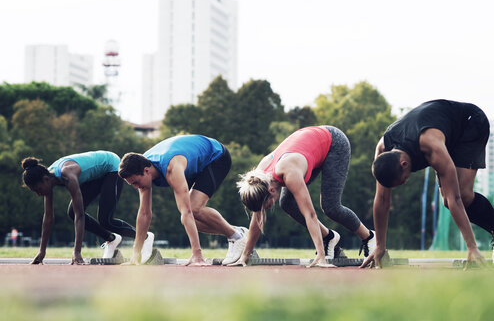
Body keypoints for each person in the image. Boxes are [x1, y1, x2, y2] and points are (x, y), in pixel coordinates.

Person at [362, 99, 492, 269]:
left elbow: (456, 198)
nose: (405, 183)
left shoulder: (431, 146)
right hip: (445, 130)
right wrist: (380, 246)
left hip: (470, 123)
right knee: (446, 201)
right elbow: (382, 200)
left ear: (404, 164)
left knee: (463, 195)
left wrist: (472, 247)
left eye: (403, 180)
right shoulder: (383, 151)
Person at [232, 125, 376, 268]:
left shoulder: (290, 172)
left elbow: (310, 214)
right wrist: (245, 255)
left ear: (271, 190)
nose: (266, 209)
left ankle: (369, 237)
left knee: (331, 207)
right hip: (309, 146)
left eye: (266, 205)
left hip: (333, 142)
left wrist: (321, 256)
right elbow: (257, 219)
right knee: (287, 204)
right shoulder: (259, 178)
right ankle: (329, 238)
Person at [118, 135, 248, 266]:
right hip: (192, 162)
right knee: (190, 222)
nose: (136, 187)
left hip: (216, 156)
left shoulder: (172, 169)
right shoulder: (141, 167)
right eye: (132, 184)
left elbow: (187, 211)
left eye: (136, 182)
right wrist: (136, 254)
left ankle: (236, 236)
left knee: (193, 209)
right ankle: (237, 232)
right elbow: (144, 214)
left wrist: (197, 255)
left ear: (146, 171)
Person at [21, 151, 150, 265]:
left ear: (45, 179)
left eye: (38, 190)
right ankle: (112, 238)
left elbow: (80, 215)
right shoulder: (47, 178)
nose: (39, 194)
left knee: (106, 220)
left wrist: (77, 252)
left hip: (110, 167)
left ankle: (145, 236)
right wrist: (42, 252)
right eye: (35, 192)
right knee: (71, 212)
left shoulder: (67, 174)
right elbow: (48, 217)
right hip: (95, 176)